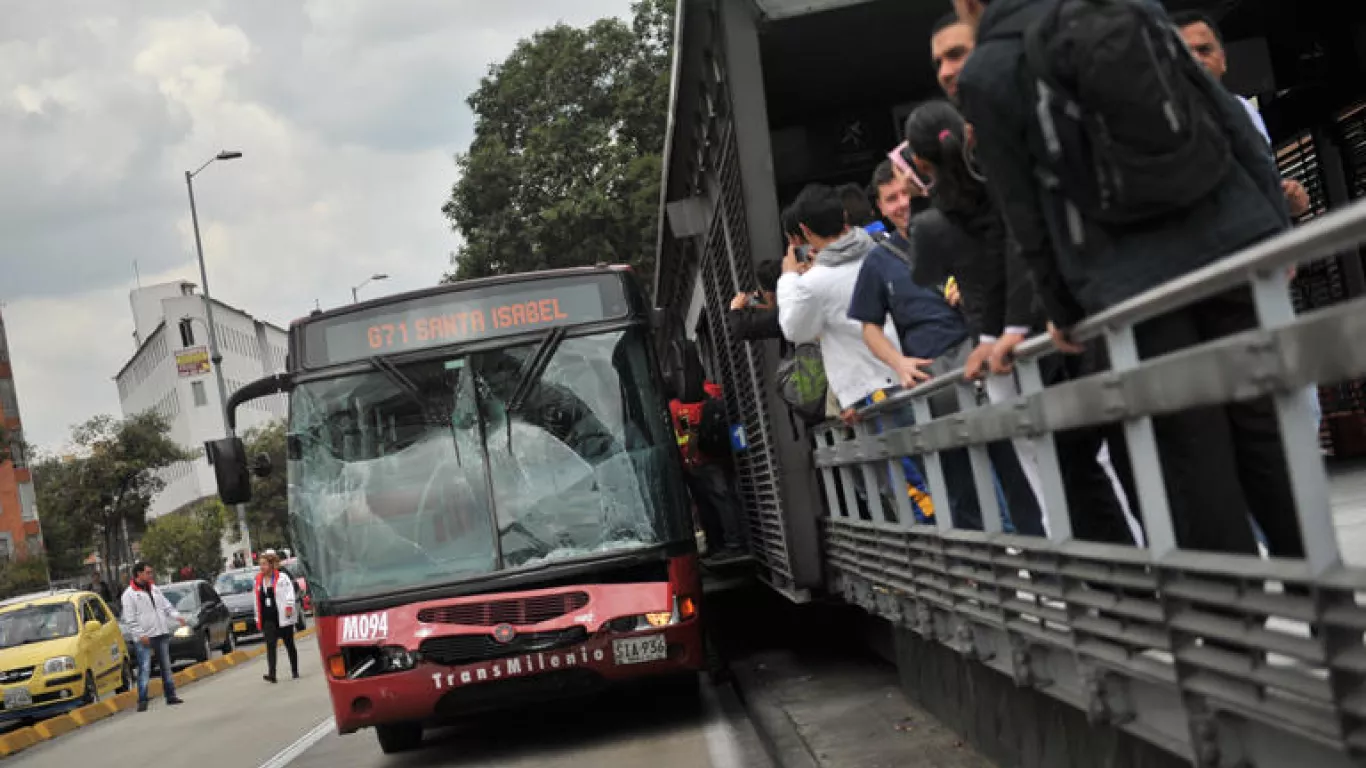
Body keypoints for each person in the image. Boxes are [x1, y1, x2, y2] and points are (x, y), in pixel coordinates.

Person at [955, 0, 1303, 557]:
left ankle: (1239, 631)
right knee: (1265, 426)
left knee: (1190, 446)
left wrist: (1064, 309)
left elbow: (1026, 214)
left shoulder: (988, 72)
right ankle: (1327, 605)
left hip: (1129, 282)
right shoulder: (1126, 7)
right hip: (1229, 238)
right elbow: (1227, 117)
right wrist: (1274, 229)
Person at [900, 99, 1140, 545]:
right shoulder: (1005, 192)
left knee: (1038, 467)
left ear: (917, 162)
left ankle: (1071, 560)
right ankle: (1139, 548)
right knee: (1098, 457)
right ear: (967, 135)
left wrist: (919, 205)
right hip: (1050, 331)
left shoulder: (932, 224)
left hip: (996, 351)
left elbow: (922, 273)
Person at [120, 562, 186, 712]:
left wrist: (177, 617)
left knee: (166, 666)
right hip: (145, 637)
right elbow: (130, 619)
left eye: (151, 572)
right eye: (148, 572)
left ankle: (170, 695)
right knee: (145, 668)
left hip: (161, 632)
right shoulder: (129, 595)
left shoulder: (154, 589)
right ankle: (142, 700)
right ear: (139, 574)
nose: (151, 575)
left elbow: (166, 606)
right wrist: (140, 634)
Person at [256, 551, 300, 683]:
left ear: (271, 564)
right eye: (260, 565)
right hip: (268, 619)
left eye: (264, 564)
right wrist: (258, 618)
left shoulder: (282, 578)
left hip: (282, 617)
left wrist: (289, 608)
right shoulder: (258, 580)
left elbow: (290, 594)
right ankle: (272, 674)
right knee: (270, 645)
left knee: (289, 644)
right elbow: (256, 600)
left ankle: (294, 670)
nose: (262, 567)